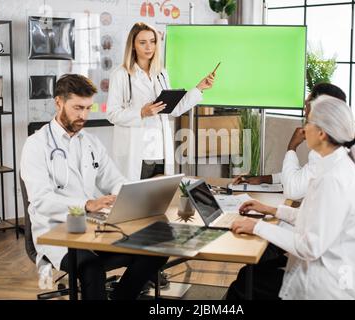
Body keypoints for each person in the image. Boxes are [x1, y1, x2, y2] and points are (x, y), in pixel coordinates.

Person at [20, 74, 168, 300]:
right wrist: (87, 204)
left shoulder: (90, 142)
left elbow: (115, 180)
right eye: (78, 108)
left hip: (93, 229)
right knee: (91, 268)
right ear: (58, 102)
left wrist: (134, 197)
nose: (84, 116)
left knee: (158, 249)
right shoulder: (36, 145)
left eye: (88, 108)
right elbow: (40, 199)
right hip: (56, 232)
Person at [227, 95, 355, 300]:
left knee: (246, 282)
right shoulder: (339, 164)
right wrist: (272, 210)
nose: (303, 128)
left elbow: (310, 247)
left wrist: (257, 227)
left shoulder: (333, 179)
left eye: (308, 122)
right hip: (340, 273)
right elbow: (315, 218)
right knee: (250, 276)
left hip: (330, 286)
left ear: (322, 133)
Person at [107, 22, 215, 181]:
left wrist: (199, 88)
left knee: (158, 200)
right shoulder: (120, 74)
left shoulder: (161, 73)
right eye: (142, 42)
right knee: (138, 201)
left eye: (153, 41)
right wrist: (141, 113)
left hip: (160, 151)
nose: (149, 47)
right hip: (137, 152)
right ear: (133, 46)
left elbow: (174, 109)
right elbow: (112, 114)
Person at [233, 83, 348, 200]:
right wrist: (263, 179)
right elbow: (302, 176)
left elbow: (292, 190)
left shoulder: (324, 154)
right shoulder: (335, 146)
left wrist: (292, 147)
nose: (305, 111)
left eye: (306, 105)